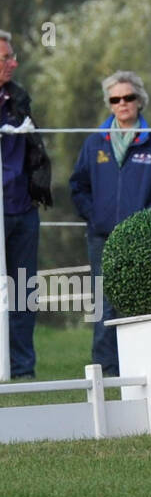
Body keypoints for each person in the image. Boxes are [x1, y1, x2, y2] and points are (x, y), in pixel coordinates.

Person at [68, 71, 151, 375]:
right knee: (104, 303)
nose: (123, 103)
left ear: (140, 101)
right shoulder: (94, 144)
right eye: (115, 99)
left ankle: (145, 369)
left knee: (140, 301)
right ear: (109, 104)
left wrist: (147, 221)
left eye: (128, 97)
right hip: (101, 238)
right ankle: (105, 372)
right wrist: (95, 217)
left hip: (141, 240)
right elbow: (77, 186)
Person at [0, 30, 53, 379]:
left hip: (23, 209)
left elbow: (35, 148)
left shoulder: (19, 97)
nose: (14, 63)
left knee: (22, 293)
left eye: (12, 57)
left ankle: (22, 369)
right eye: (6, 58)